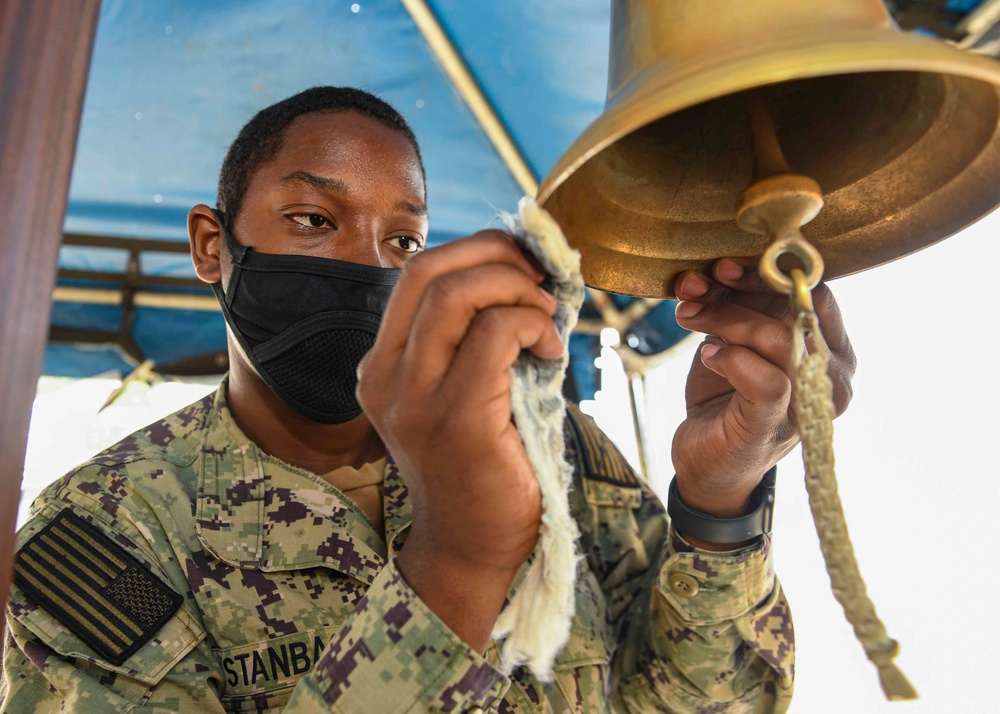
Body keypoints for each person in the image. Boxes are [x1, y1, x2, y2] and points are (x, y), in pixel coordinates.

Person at [1, 86, 855, 713]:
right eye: (311, 218)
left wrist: (719, 499)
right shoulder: (107, 530)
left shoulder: (553, 450)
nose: (368, 263)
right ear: (211, 245)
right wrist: (458, 561)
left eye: (402, 237)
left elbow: (705, 704)